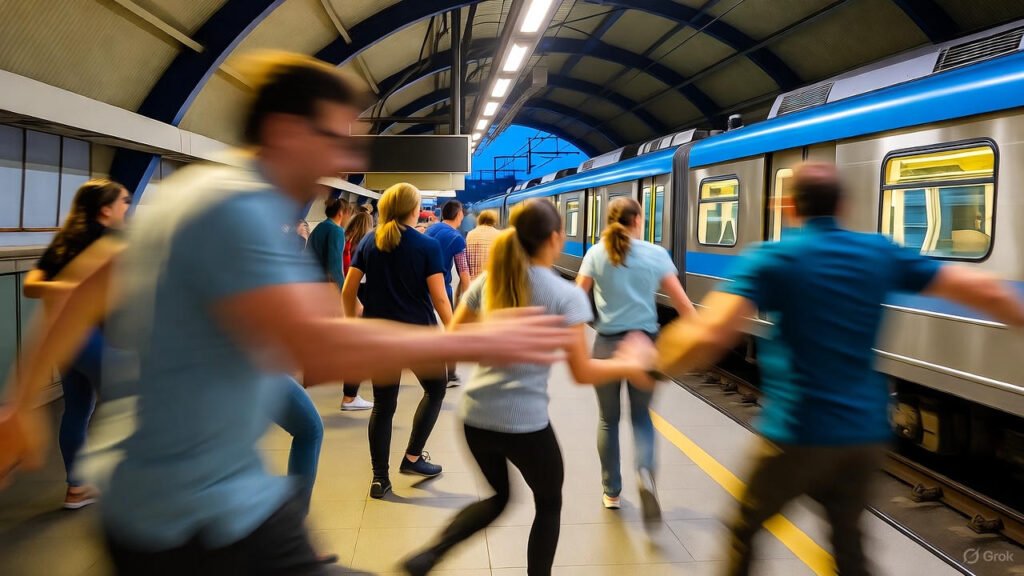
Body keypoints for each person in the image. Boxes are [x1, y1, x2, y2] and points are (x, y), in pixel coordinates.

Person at [2, 52, 573, 575]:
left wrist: (20, 404)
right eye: (331, 136)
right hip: (196, 515)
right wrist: (463, 342)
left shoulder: (190, 194)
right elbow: (321, 349)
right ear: (282, 130)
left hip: (172, 496)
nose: (345, 155)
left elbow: (78, 291)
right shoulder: (240, 210)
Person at [653, 162, 1024, 576]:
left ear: (790, 206)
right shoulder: (878, 251)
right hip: (863, 436)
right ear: (843, 205)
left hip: (797, 434)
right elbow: (985, 289)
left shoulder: (775, 257)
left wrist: (655, 365)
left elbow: (710, 334)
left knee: (744, 529)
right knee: (849, 549)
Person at [403, 199, 657, 576]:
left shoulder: (490, 280)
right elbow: (583, 373)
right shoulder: (563, 295)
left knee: (499, 497)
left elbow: (453, 339)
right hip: (526, 425)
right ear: (555, 238)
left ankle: (430, 555)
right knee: (549, 503)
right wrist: (632, 362)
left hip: (474, 419)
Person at [576, 197, 697, 517]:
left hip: (605, 347)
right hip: (645, 347)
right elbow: (685, 308)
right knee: (642, 419)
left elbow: (574, 299)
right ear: (638, 220)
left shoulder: (595, 253)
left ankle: (611, 492)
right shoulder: (656, 254)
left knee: (608, 420)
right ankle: (644, 472)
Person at [342, 183, 457, 499]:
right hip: (419, 335)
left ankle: (380, 479)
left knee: (383, 405)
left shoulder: (369, 241)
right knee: (435, 390)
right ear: (413, 209)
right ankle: (413, 458)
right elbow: (440, 300)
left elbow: (347, 292)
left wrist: (357, 320)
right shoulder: (426, 245)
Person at [22, 178, 131, 510]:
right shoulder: (113, 241)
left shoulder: (64, 242)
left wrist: (65, 290)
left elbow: (32, 285)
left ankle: (77, 487)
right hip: (94, 340)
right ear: (106, 209)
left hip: (68, 343)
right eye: (124, 201)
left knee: (78, 410)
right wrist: (80, 290)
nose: (128, 207)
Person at [306, 197, 371, 411]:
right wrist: (349, 294)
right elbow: (335, 266)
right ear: (342, 213)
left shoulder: (319, 229)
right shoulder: (334, 231)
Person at [426, 200, 472, 387]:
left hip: (422, 287)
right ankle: (451, 376)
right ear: (459, 214)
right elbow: (463, 272)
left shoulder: (431, 230)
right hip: (442, 288)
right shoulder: (456, 238)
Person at [466, 209, 500, 281]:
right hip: (491, 279)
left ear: (479, 219)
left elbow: (466, 256)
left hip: (473, 280)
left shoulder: (470, 234)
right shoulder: (499, 234)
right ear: (493, 220)